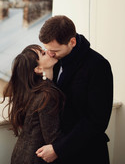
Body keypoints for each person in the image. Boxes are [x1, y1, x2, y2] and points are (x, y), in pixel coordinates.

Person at [36, 15, 113, 164]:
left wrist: (59, 149)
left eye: (54, 50)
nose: (50, 54)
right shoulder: (54, 62)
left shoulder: (98, 66)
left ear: (72, 42)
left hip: (86, 154)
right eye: (47, 49)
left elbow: (97, 121)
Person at [2, 44, 65, 164]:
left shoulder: (33, 92)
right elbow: (53, 138)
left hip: (20, 155)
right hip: (35, 159)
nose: (48, 51)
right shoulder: (47, 96)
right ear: (38, 69)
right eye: (43, 53)